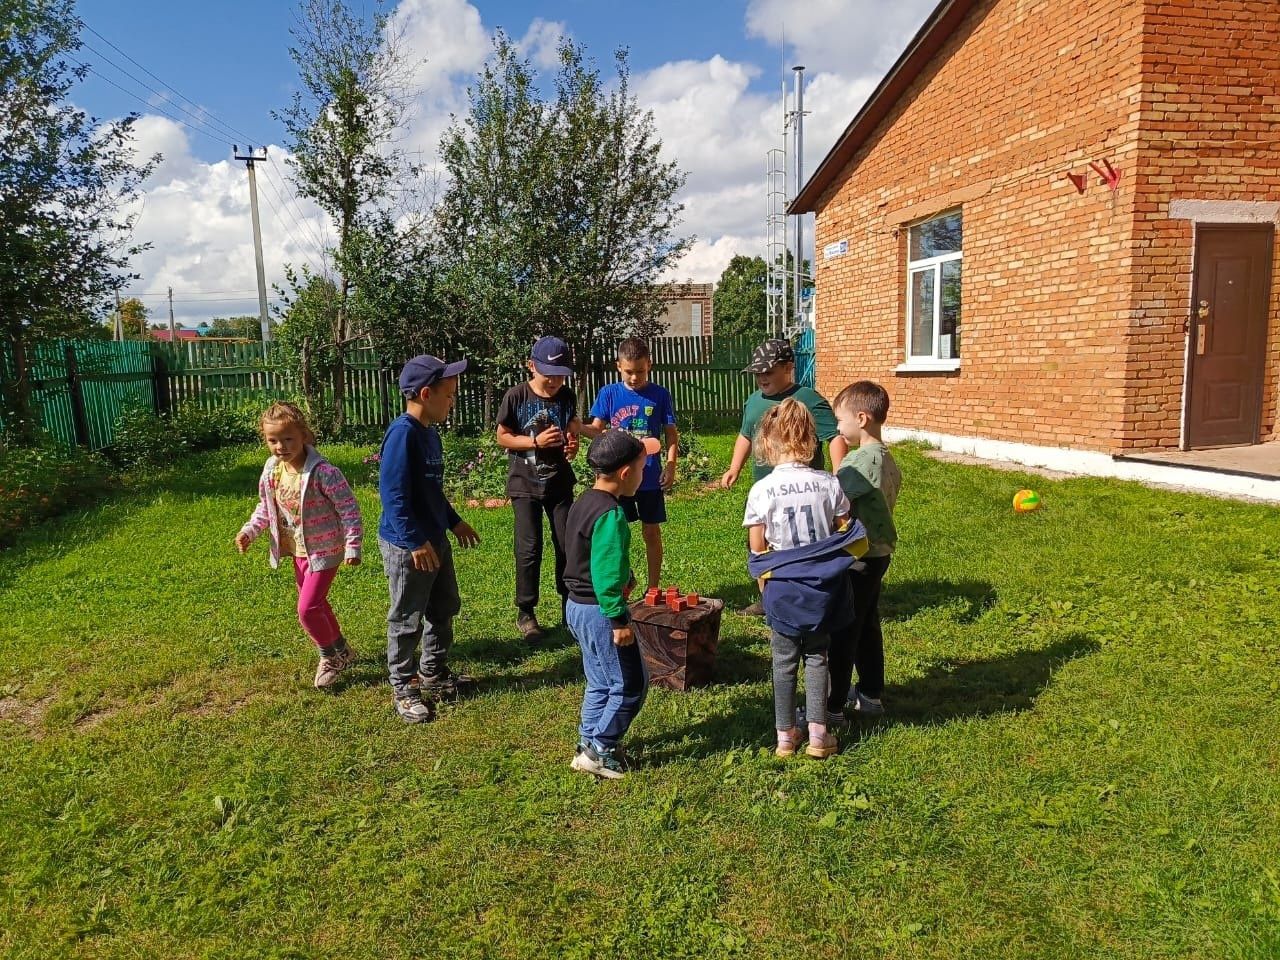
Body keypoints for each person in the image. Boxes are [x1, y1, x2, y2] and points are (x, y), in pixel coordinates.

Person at [743, 399, 865, 760]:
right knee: (817, 656)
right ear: (811, 440)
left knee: (782, 661)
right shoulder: (828, 483)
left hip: (782, 586)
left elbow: (758, 546)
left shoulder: (762, 490)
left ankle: (784, 737)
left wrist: (765, 585)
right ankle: (818, 734)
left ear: (767, 442)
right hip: (822, 588)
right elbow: (845, 531)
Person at [378, 354, 481, 724]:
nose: (452, 401)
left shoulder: (429, 433)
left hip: (434, 539)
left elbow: (431, 491)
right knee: (407, 617)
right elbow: (393, 496)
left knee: (444, 606)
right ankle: (403, 688)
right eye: (449, 394)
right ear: (425, 393)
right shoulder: (403, 434)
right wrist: (414, 541)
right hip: (409, 546)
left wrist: (454, 523)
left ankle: (433, 673)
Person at [236, 401, 363, 691]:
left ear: (304, 435)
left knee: (307, 609)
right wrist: (249, 531)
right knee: (317, 605)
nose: (281, 446)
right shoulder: (272, 471)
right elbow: (265, 508)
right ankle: (343, 649)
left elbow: (349, 509)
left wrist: (353, 546)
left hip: (325, 551)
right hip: (297, 550)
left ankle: (330, 657)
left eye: (288, 438)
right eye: (273, 440)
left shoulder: (324, 473)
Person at [720, 338, 848, 615]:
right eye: (758, 373)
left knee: (802, 540)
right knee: (761, 541)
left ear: (788, 367)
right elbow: (745, 435)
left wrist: (839, 475)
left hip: (804, 490)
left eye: (768, 371)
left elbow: (834, 438)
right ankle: (769, 598)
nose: (762, 378)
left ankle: (814, 593)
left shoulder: (808, 400)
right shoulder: (754, 401)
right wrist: (734, 468)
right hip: (767, 490)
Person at [564, 430, 661, 779]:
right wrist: (620, 619)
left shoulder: (584, 501)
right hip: (602, 612)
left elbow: (593, 554)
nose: (644, 473)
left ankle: (586, 742)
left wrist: (626, 575)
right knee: (631, 684)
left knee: (601, 681)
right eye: (641, 467)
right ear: (624, 474)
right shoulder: (612, 513)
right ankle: (601, 749)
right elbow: (604, 573)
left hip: (577, 605)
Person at [496, 336, 599, 641]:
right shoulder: (516, 396)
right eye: (548, 373)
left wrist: (572, 443)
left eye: (560, 374)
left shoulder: (566, 397)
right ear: (531, 366)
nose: (554, 380)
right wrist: (534, 442)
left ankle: (570, 606)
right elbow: (502, 436)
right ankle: (526, 612)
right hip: (524, 484)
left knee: (568, 545)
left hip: (559, 482)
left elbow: (572, 427)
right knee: (529, 548)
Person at [827, 381, 901, 720]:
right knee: (867, 624)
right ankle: (870, 694)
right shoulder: (886, 459)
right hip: (878, 554)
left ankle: (831, 706)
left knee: (842, 631)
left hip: (857, 557)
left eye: (840, 421)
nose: (838, 429)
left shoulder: (860, 463)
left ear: (861, 418)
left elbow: (834, 502)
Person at [587, 337, 678, 590]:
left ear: (650, 364)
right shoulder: (608, 393)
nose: (635, 377)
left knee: (651, 532)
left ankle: (653, 588)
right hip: (619, 480)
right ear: (618, 366)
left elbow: (670, 433)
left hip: (649, 477)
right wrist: (576, 427)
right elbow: (596, 429)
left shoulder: (659, 395)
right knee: (617, 533)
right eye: (629, 372)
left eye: (640, 371)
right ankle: (623, 582)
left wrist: (670, 465)